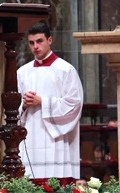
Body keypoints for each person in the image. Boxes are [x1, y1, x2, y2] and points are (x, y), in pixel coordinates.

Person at [17, 24, 83, 179]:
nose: (35, 46)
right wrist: (24, 105)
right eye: (31, 43)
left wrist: (43, 102)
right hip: (30, 134)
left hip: (56, 137)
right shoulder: (22, 72)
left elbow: (74, 104)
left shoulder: (66, 70)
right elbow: (14, 106)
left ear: (50, 40)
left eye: (39, 41)